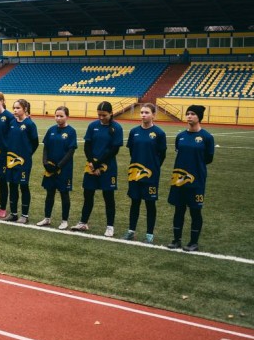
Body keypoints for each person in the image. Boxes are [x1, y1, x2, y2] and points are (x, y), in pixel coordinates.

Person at [71, 101, 123, 237]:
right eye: (99, 115)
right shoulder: (92, 125)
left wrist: (98, 164)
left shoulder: (116, 128)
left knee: (108, 197)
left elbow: (114, 150)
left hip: (108, 167)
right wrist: (91, 163)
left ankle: (110, 226)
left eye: (104, 115)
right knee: (88, 195)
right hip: (91, 166)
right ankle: (83, 222)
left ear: (111, 113)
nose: (100, 117)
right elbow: (87, 145)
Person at [167, 105, 214, 252]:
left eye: (193, 114)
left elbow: (208, 158)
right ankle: (176, 240)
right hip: (179, 179)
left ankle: (194, 242)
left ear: (199, 117)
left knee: (195, 211)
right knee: (178, 210)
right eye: (187, 113)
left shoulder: (207, 137)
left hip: (197, 180)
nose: (189, 116)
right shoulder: (180, 136)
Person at [124, 104, 167, 243]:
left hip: (151, 176)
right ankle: (131, 231)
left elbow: (162, 155)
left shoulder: (159, 133)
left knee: (150, 204)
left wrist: (153, 167)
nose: (143, 115)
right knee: (134, 202)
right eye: (142, 112)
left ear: (153, 115)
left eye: (147, 112)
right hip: (134, 173)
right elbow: (132, 151)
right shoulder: (134, 131)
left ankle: (149, 234)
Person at [37, 106, 77, 229]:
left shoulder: (71, 131)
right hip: (50, 168)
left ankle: (64, 221)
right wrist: (45, 163)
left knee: (64, 194)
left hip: (64, 169)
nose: (58, 118)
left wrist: (59, 166)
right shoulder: (51, 130)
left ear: (67, 117)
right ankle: (47, 218)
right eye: (56, 116)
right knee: (50, 193)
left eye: (61, 116)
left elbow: (70, 152)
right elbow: (46, 148)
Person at [3, 99, 38, 223]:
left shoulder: (29, 124)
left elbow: (35, 143)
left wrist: (27, 154)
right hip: (10, 160)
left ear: (25, 109)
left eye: (18, 108)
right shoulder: (12, 122)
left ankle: (25, 215)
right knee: (12, 186)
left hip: (23, 162)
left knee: (23, 186)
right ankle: (13, 213)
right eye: (14, 108)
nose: (15, 110)